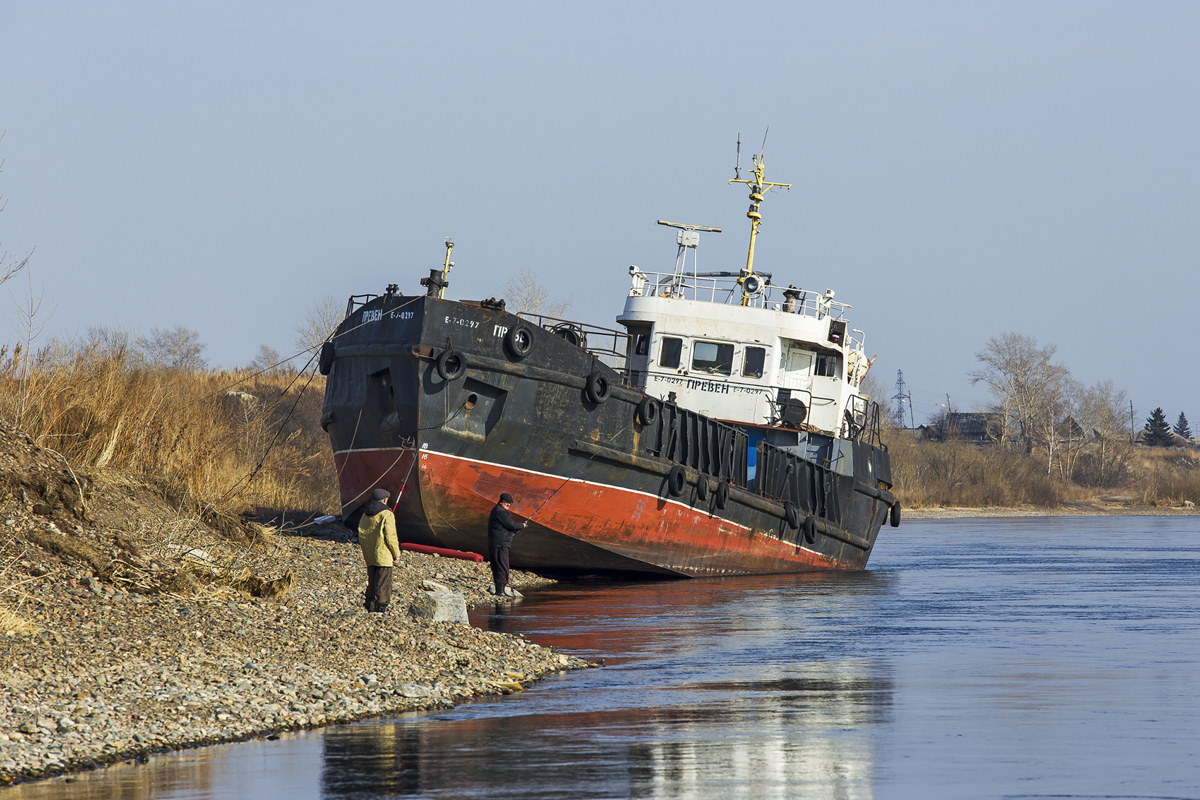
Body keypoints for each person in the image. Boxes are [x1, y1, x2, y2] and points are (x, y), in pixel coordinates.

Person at [357, 488, 399, 613]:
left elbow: (361, 534)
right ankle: (380, 608)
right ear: (385, 500)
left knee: (372, 580)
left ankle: (369, 605)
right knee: (383, 583)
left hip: (369, 555)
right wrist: (396, 554)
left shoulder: (365, 514)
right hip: (383, 555)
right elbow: (390, 537)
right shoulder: (387, 514)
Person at [487, 492, 526, 597]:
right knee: (503, 567)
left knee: (497, 565)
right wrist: (522, 525)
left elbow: (506, 526)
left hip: (495, 543)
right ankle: (500, 591)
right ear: (503, 502)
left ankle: (500, 590)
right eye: (508, 504)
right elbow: (511, 525)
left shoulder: (495, 510)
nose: (509, 506)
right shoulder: (501, 512)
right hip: (500, 544)